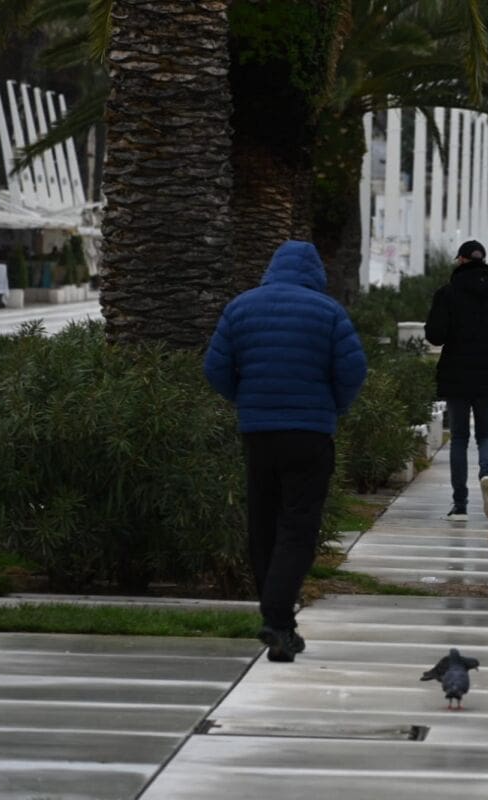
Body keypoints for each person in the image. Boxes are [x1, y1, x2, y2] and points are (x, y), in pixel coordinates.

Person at [203, 240, 367, 663]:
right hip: (310, 434)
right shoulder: (329, 312)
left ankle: (277, 622)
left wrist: (248, 400)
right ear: (315, 273)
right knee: (298, 525)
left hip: (258, 434)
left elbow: (215, 368)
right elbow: (353, 369)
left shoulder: (240, 308)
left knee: (263, 523)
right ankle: (277, 618)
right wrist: (334, 406)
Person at [425, 240, 488, 520]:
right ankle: (487, 475)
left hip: (456, 374)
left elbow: (435, 335)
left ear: (460, 260)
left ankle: (460, 503)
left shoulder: (447, 293)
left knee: (459, 437)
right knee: (487, 435)